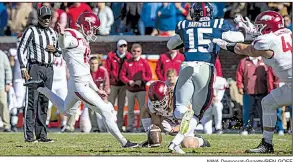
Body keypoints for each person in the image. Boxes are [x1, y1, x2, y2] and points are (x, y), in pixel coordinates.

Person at [24, 12, 139, 148]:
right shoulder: (71, 35)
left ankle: (41, 88)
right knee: (105, 110)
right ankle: (124, 142)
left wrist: (96, 89)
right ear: (86, 25)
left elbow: (85, 69)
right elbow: (64, 44)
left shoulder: (84, 40)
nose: (94, 31)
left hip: (78, 82)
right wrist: (61, 36)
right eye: (93, 28)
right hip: (79, 85)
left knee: (66, 111)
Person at [166, 2, 246, 154]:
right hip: (205, 67)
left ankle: (183, 123)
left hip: (186, 66)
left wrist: (186, 40)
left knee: (178, 110)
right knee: (198, 112)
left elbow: (170, 45)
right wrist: (243, 28)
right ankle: (177, 141)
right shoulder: (217, 24)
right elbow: (238, 37)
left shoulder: (184, 25)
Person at [213, 11, 292, 153]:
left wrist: (225, 45)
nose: (258, 29)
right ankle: (267, 144)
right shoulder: (287, 32)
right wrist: (255, 34)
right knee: (268, 103)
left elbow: (247, 49)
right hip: (290, 85)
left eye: (260, 26)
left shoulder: (267, 40)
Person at [17, 6, 62, 143]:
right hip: (35, 67)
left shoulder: (53, 33)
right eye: (44, 17)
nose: (47, 20)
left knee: (44, 102)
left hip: (49, 69)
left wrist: (55, 49)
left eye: (49, 17)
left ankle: (42, 135)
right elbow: (21, 49)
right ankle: (29, 136)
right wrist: (23, 67)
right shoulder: (31, 30)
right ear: (39, 18)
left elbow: (60, 52)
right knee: (32, 101)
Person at [140, 80, 210, 148]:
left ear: (167, 95)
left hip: (183, 124)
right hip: (168, 123)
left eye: (160, 102)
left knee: (187, 144)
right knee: (145, 110)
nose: (157, 105)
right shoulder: (153, 102)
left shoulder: (180, 101)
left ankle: (201, 141)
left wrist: (174, 129)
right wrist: (152, 134)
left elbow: (189, 122)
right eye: (155, 103)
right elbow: (149, 115)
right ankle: (150, 138)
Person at [120, 43, 152, 132]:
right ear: (131, 51)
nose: (136, 53)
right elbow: (122, 75)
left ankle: (142, 126)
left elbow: (149, 75)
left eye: (138, 51)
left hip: (141, 89)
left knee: (142, 109)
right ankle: (130, 126)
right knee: (130, 109)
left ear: (141, 52)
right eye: (134, 51)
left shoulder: (144, 62)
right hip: (130, 90)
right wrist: (128, 81)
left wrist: (142, 81)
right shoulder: (127, 62)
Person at [105, 39, 132, 131]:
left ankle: (119, 126)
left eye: (124, 46)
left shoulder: (129, 56)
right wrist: (107, 84)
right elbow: (107, 71)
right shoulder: (111, 56)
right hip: (113, 84)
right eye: (121, 46)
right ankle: (110, 126)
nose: (123, 48)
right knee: (110, 106)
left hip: (123, 84)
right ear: (117, 47)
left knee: (121, 106)